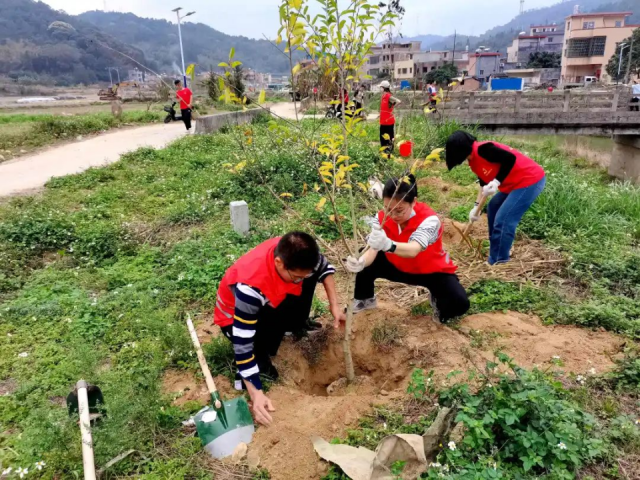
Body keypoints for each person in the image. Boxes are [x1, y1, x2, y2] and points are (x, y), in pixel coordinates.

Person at [213, 232, 345, 426]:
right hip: (233, 320)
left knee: (305, 278)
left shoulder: (299, 253)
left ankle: (294, 324)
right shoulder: (251, 288)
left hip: (269, 298)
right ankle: (252, 367)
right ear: (279, 263)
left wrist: (334, 305)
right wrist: (256, 393)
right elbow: (243, 344)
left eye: (304, 275)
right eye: (296, 276)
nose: (300, 281)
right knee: (262, 366)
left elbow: (324, 267)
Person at [345, 175, 470, 323]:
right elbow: (373, 249)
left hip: (429, 271)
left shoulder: (429, 220)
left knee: (459, 302)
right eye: (388, 209)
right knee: (362, 254)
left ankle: (439, 302)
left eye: (399, 210)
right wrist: (360, 263)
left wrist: (388, 245)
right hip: (395, 265)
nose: (393, 215)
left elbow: (414, 250)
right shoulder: (381, 218)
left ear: (413, 202)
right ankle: (364, 299)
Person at [445, 130, 546, 265]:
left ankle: (499, 260)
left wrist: (497, 181)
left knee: (504, 219)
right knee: (493, 207)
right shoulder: (473, 161)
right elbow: (483, 183)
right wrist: (476, 207)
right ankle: (498, 249)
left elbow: (510, 158)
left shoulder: (484, 150)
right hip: (512, 183)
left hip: (529, 180)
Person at [379, 80, 401, 155]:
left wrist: (391, 108)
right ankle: (384, 150)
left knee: (389, 136)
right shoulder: (383, 96)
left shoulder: (388, 96)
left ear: (384, 88)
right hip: (383, 121)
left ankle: (389, 151)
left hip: (388, 121)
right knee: (383, 136)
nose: (380, 89)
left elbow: (398, 101)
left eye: (381, 87)